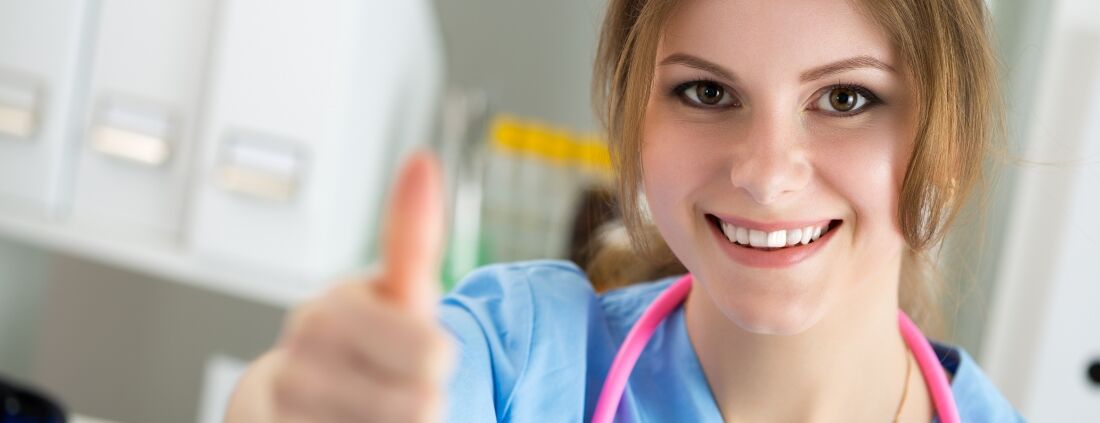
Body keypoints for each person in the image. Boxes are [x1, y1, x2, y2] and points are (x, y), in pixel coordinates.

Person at [226, 0, 1026, 421]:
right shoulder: (523, 363)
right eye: (707, 92)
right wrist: (286, 402)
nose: (765, 173)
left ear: (945, 141)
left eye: (846, 98)